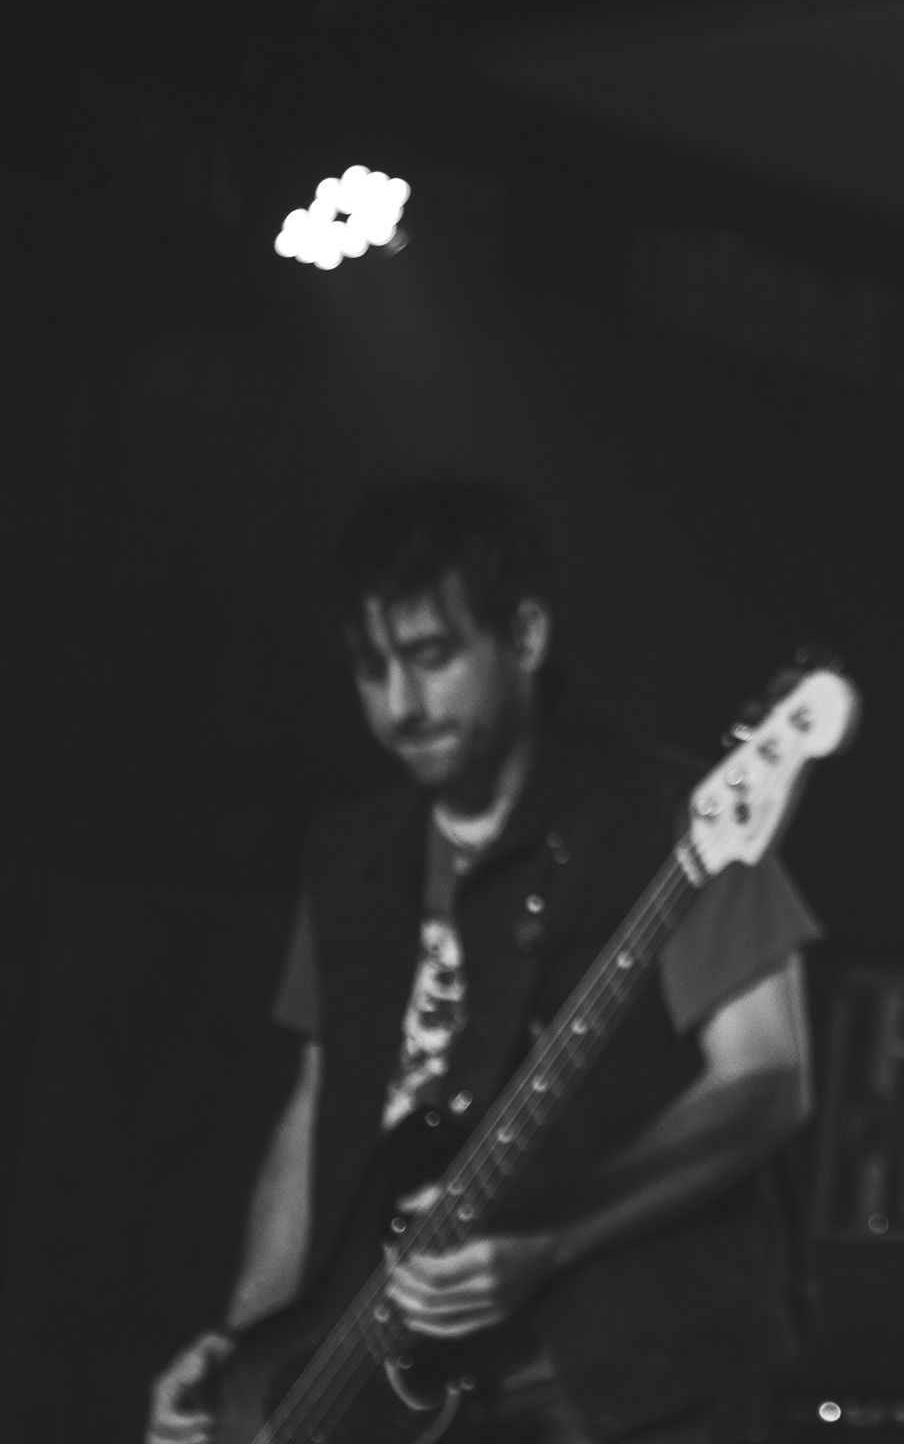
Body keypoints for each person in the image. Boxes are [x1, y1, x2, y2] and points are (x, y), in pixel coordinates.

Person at [148, 481, 819, 1444]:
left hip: (616, 1384)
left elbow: (766, 1081)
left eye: (432, 658)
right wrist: (246, 1351)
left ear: (526, 636)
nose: (401, 706)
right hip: (390, 1394)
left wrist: (554, 1239)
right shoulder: (349, 856)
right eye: (371, 669)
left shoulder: (676, 819)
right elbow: (314, 1117)